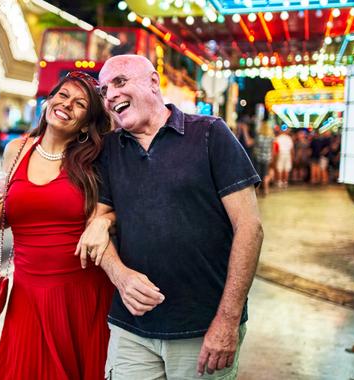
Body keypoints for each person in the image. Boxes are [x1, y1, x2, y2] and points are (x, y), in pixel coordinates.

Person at [78, 55, 263, 379]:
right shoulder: (108, 149)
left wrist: (228, 320)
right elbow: (97, 225)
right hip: (131, 328)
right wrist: (120, 275)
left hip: (202, 328)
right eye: (105, 90)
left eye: (120, 82)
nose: (110, 96)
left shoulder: (209, 134)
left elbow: (250, 228)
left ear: (153, 81)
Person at [0, 71, 113, 379]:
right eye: (62, 95)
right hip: (27, 294)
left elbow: (117, 209)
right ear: (49, 101)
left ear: (87, 123)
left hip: (81, 293)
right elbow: (4, 219)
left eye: (80, 103)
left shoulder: (95, 159)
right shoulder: (15, 150)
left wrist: (106, 220)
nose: (67, 105)